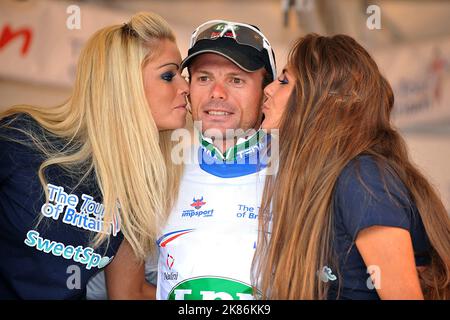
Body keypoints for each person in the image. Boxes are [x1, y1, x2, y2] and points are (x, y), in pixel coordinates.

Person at [0, 11, 188, 299]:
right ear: (124, 85)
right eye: (168, 75)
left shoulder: (134, 182)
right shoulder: (21, 137)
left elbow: (128, 293)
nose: (185, 88)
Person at [253, 33, 450, 300]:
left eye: (285, 81)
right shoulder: (329, 178)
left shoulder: (362, 179)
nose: (268, 88)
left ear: (321, 102)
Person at [154, 20, 277, 300]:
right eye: (204, 78)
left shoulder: (303, 178)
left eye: (236, 80)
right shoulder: (159, 174)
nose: (217, 93)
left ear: (265, 92)